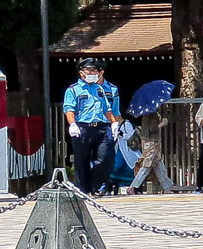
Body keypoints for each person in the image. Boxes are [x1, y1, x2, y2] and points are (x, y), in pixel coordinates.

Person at [62, 56, 122, 195]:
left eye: (94, 70)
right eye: (89, 70)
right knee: (81, 160)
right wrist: (72, 124)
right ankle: (83, 188)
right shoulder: (73, 90)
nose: (92, 73)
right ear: (81, 72)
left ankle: (97, 186)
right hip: (82, 127)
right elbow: (69, 109)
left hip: (101, 127)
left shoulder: (100, 90)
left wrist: (114, 123)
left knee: (105, 157)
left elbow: (107, 109)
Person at [128, 115, 176, 194]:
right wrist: (163, 123)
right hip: (152, 143)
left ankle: (167, 186)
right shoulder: (153, 114)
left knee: (158, 164)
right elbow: (153, 128)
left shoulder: (145, 114)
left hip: (146, 142)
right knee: (147, 165)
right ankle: (133, 186)